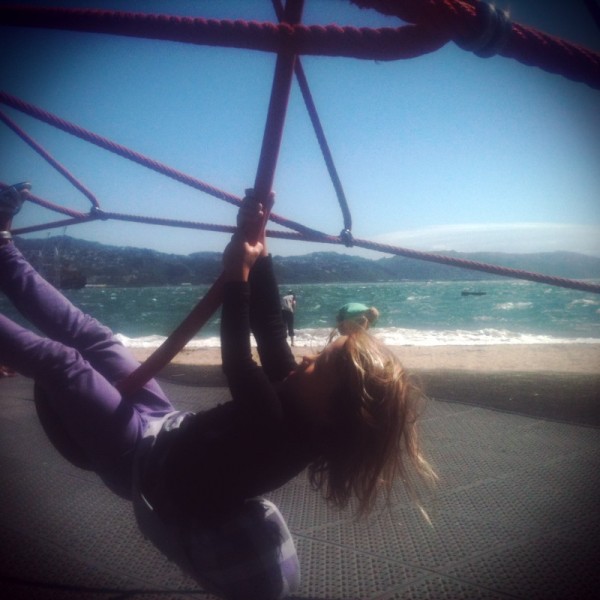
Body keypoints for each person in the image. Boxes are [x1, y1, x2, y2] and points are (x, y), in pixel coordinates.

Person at [0, 183, 436, 598]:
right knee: (99, 339)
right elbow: (268, 330)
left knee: (64, 363)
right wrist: (259, 247)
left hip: (136, 459)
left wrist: (238, 276)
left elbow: (239, 363)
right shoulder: (305, 408)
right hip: (165, 427)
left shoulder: (275, 430)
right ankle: (3, 248)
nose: (307, 359)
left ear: (335, 408)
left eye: (319, 363)